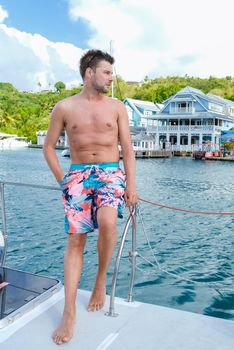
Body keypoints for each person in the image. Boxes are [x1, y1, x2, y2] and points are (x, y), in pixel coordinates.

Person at [43, 49, 137, 345]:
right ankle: (69, 312)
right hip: (78, 175)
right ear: (90, 73)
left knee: (108, 223)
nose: (111, 78)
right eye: (107, 72)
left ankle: (100, 281)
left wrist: (131, 184)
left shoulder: (117, 107)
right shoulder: (64, 107)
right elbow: (48, 147)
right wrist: (63, 181)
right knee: (75, 240)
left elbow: (128, 149)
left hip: (110, 172)